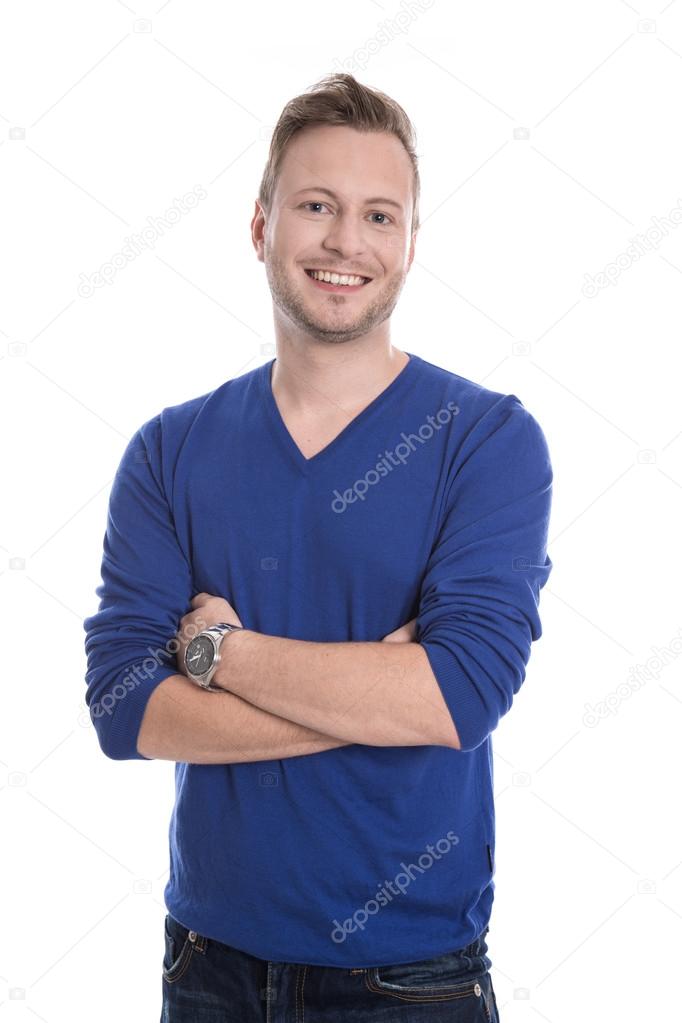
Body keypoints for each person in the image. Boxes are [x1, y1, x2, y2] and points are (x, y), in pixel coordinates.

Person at [83, 71, 553, 1022]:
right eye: (316, 206)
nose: (347, 241)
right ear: (261, 227)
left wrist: (222, 655)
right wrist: (382, 696)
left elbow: (464, 692)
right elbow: (124, 708)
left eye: (381, 215)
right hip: (208, 971)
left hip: (413, 980)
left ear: (412, 245)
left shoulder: (487, 439)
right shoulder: (170, 450)